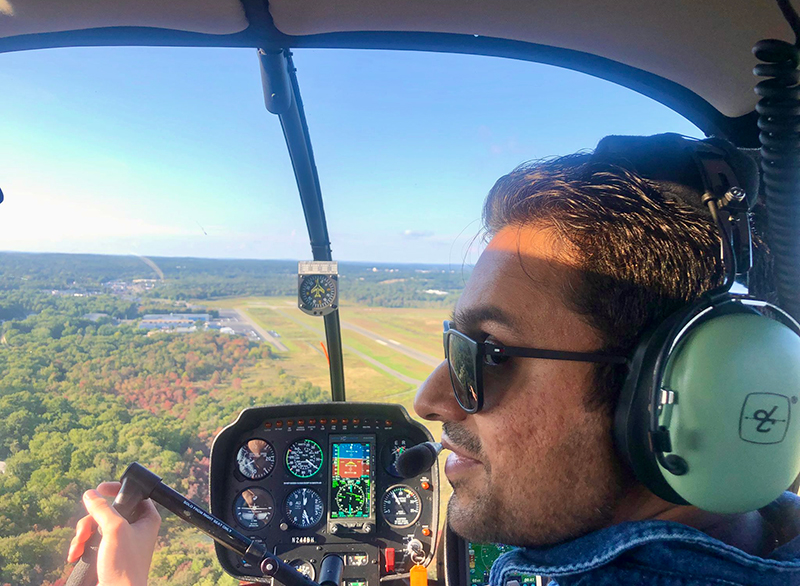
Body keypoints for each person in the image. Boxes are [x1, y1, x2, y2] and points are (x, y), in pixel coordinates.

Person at [68, 135, 800, 585]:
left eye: (488, 353)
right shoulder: (773, 532)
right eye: (453, 346)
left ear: (665, 393)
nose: (429, 398)